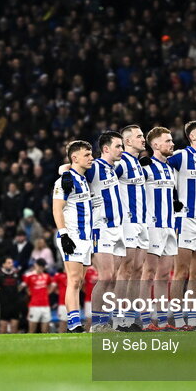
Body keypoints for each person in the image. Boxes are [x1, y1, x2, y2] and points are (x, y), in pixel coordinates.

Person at [167, 121, 196, 330]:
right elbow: (157, 165)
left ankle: (193, 320)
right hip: (185, 219)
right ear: (193, 137)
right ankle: (178, 320)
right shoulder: (180, 156)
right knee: (181, 272)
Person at [83, 131, 126, 332]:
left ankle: (106, 321)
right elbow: (71, 169)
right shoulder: (95, 166)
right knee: (106, 276)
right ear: (106, 148)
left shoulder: (113, 169)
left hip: (118, 229)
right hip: (102, 228)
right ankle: (97, 324)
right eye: (118, 146)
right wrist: (63, 170)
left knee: (115, 278)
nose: (122, 150)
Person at [53, 140, 94, 333]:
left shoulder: (83, 178)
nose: (91, 158)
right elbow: (57, 209)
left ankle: (75, 321)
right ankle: (73, 324)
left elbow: (66, 166)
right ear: (75, 157)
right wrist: (63, 235)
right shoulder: (63, 181)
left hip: (86, 238)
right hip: (72, 235)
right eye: (87, 155)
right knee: (74, 280)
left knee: (80, 281)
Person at [140, 127, 178, 331]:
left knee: (164, 275)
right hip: (152, 225)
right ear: (155, 145)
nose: (172, 144)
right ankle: (146, 321)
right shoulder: (144, 167)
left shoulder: (170, 169)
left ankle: (163, 321)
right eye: (167, 141)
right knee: (148, 274)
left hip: (169, 226)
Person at [113, 124, 149, 331]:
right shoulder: (122, 163)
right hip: (128, 223)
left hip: (142, 222)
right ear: (127, 141)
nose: (142, 139)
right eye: (139, 136)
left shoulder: (137, 164)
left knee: (137, 270)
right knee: (125, 270)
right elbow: (102, 178)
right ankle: (118, 318)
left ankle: (131, 317)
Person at [23, 259, 55, 333]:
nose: (41, 269)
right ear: (35, 265)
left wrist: (47, 293)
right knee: (32, 330)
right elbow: (24, 287)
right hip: (34, 305)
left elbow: (50, 285)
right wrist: (29, 292)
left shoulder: (46, 276)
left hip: (45, 305)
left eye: (42, 267)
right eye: (39, 266)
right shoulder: (29, 276)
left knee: (45, 330)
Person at [0, 257, 23, 334]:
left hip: (15, 303)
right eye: (9, 263)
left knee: (14, 326)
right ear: (3, 264)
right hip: (4, 303)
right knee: (3, 327)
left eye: (12, 263)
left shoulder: (17, 273)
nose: (11, 264)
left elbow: (19, 286)